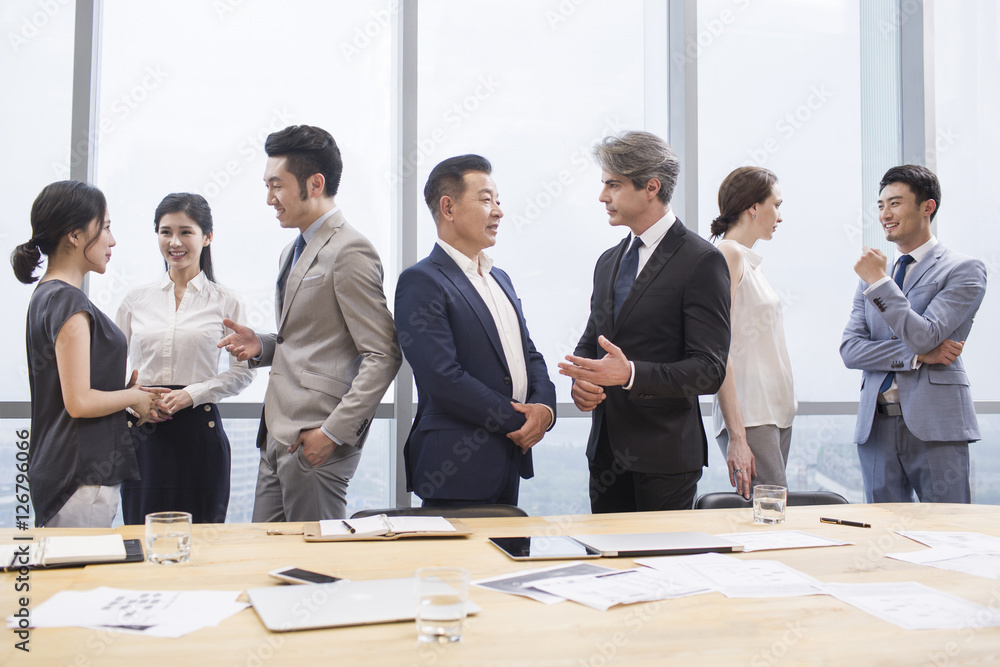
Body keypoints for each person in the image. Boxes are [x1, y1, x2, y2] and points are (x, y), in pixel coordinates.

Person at [219, 125, 401, 521]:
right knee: (271, 565)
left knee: (317, 572)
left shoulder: (350, 249)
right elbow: (307, 337)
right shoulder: (292, 249)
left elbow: (383, 354)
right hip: (277, 438)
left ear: (314, 184)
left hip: (315, 442)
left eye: (276, 185)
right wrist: (263, 345)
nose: (269, 199)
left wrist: (331, 434)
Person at [558, 131, 731, 513]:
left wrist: (630, 374)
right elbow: (593, 343)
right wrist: (582, 380)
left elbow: (709, 370)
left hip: (665, 459)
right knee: (608, 568)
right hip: (605, 456)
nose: (603, 196)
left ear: (651, 187)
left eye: (613, 185)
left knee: (661, 569)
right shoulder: (608, 260)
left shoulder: (701, 261)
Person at [395, 155, 557, 507]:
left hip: (509, 456)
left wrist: (544, 408)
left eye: (498, 201)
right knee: (460, 564)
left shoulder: (501, 278)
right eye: (486, 200)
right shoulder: (422, 281)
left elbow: (529, 355)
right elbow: (443, 377)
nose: (498, 211)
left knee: (509, 557)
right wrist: (520, 419)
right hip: (455, 466)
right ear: (448, 208)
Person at [11, 181, 163, 527]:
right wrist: (132, 396)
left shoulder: (47, 296)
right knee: (79, 578)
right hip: (80, 475)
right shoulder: (68, 301)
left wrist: (123, 393)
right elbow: (77, 402)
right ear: (74, 236)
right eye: (106, 227)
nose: (113, 240)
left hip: (67, 469)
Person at [841, 165, 986, 503]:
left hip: (936, 426)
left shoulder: (963, 269)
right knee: (883, 537)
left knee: (947, 534)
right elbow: (850, 350)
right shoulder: (872, 275)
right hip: (876, 427)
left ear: (927, 207)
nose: (884, 214)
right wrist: (917, 356)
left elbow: (926, 335)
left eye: (895, 203)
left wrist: (879, 283)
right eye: (880, 206)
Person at [115, 193, 255, 524]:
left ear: (207, 237)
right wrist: (131, 400)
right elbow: (112, 371)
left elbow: (243, 374)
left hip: (198, 432)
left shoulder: (226, 302)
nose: (174, 242)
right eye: (165, 232)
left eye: (185, 232)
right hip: (144, 432)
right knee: (141, 537)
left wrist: (191, 394)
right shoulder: (135, 301)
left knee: (202, 540)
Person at [709, 167, 796, 498]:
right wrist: (737, 434)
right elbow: (719, 346)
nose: (780, 216)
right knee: (770, 511)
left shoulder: (750, 262)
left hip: (774, 412)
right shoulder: (729, 254)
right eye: (776, 204)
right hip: (751, 411)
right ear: (753, 207)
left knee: (772, 510)